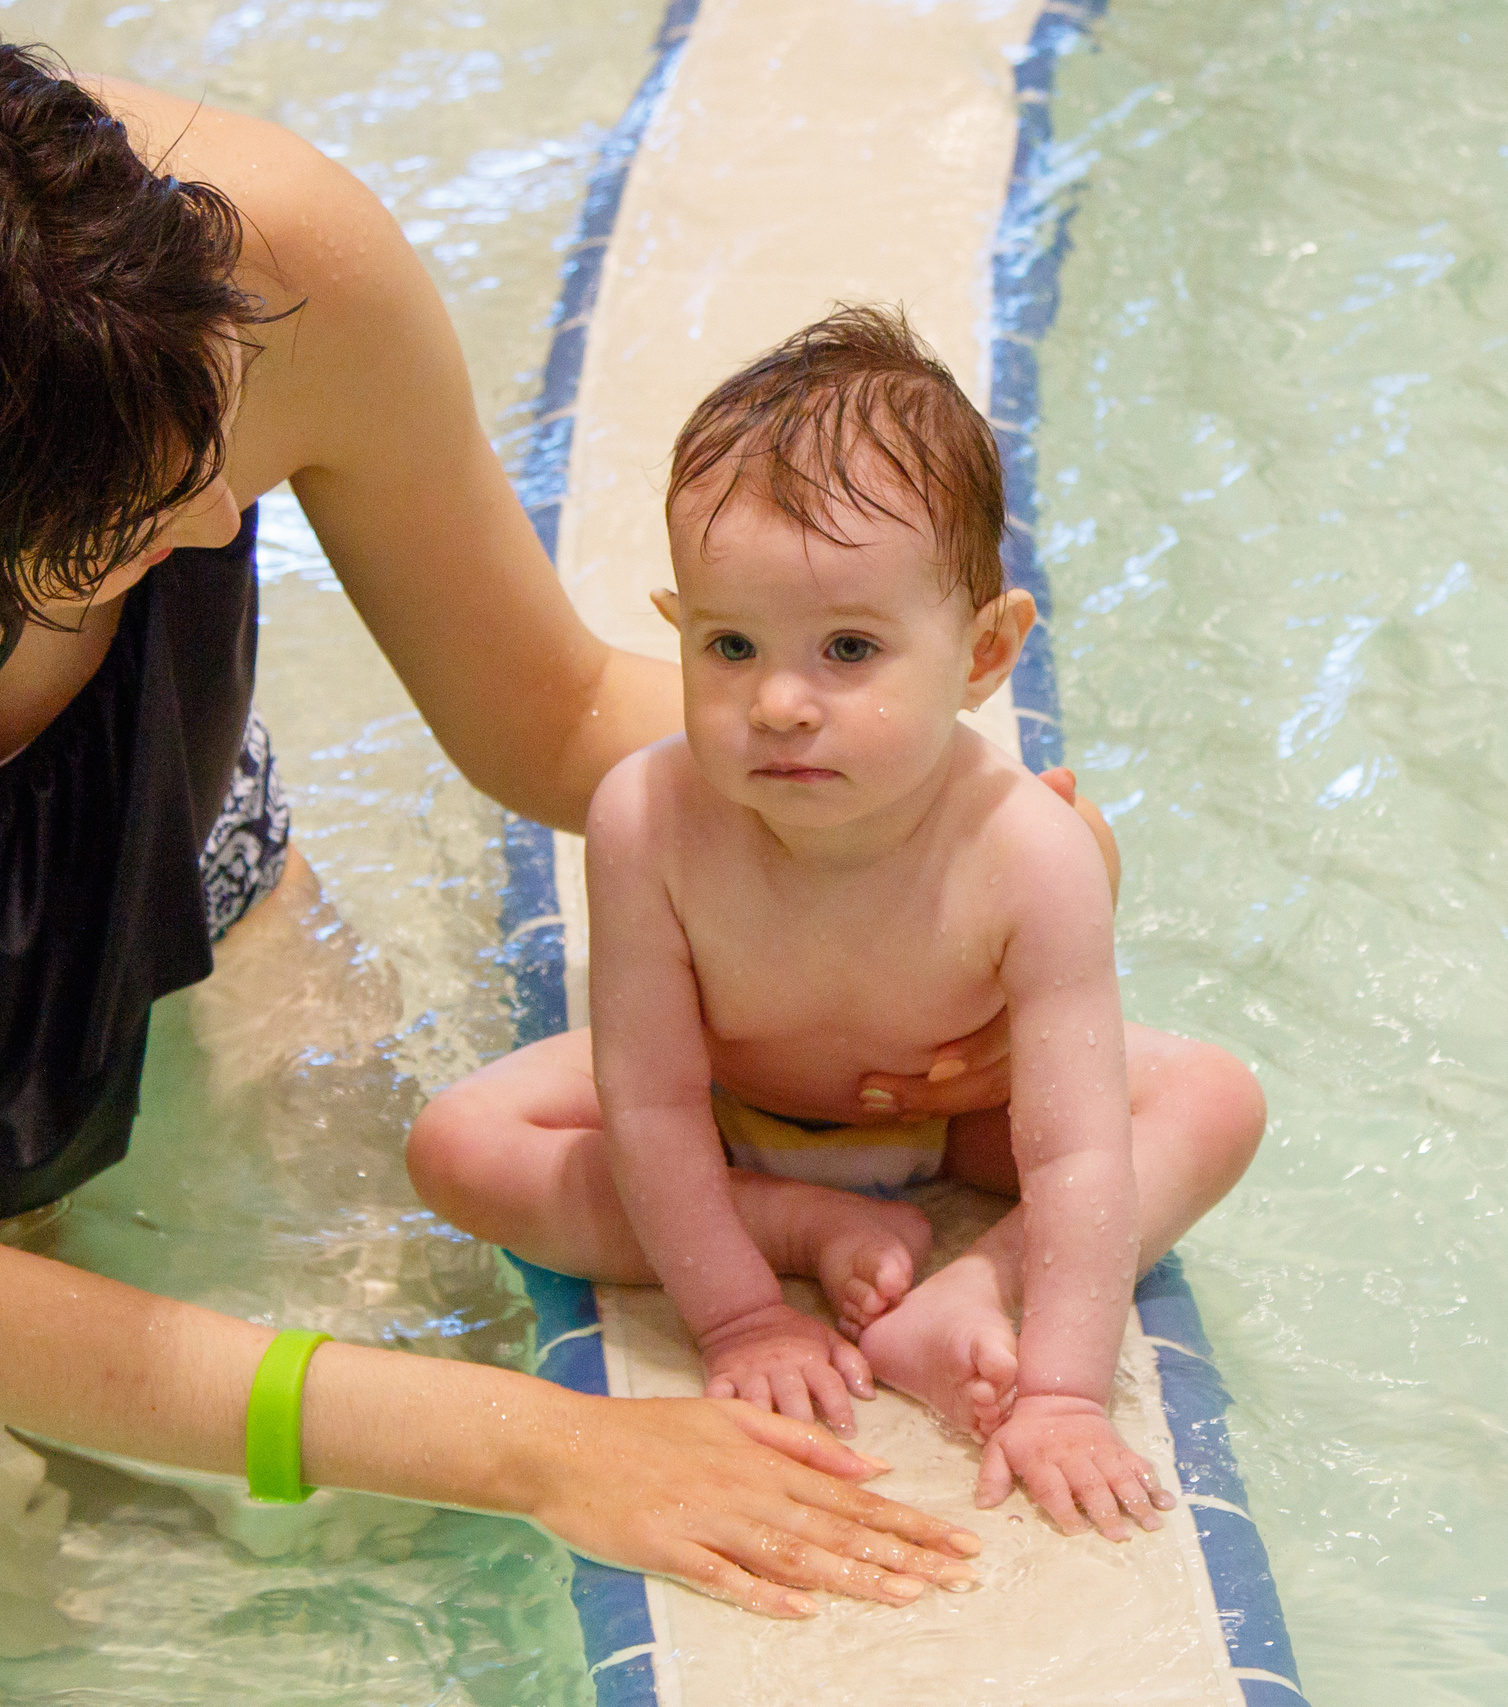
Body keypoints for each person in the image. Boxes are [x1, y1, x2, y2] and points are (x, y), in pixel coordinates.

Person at [0, 28, 1037, 1620]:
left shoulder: (262, 264)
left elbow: (545, 717)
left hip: (170, 890)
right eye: (131, 530)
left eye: (212, 440)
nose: (228, 517)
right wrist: (542, 1451)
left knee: (406, 1432)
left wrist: (946, 833)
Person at [405, 308, 1268, 1542]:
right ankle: (801, 1225)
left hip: (961, 1120)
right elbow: (647, 1102)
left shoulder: (1026, 850)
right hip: (725, 1115)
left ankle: (972, 1284)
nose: (779, 702)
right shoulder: (646, 817)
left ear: (982, 651)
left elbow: (1073, 1146)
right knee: (458, 1142)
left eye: (849, 648)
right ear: (680, 625)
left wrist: (1064, 1393)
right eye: (730, 644)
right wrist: (742, 1314)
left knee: (1215, 1099)